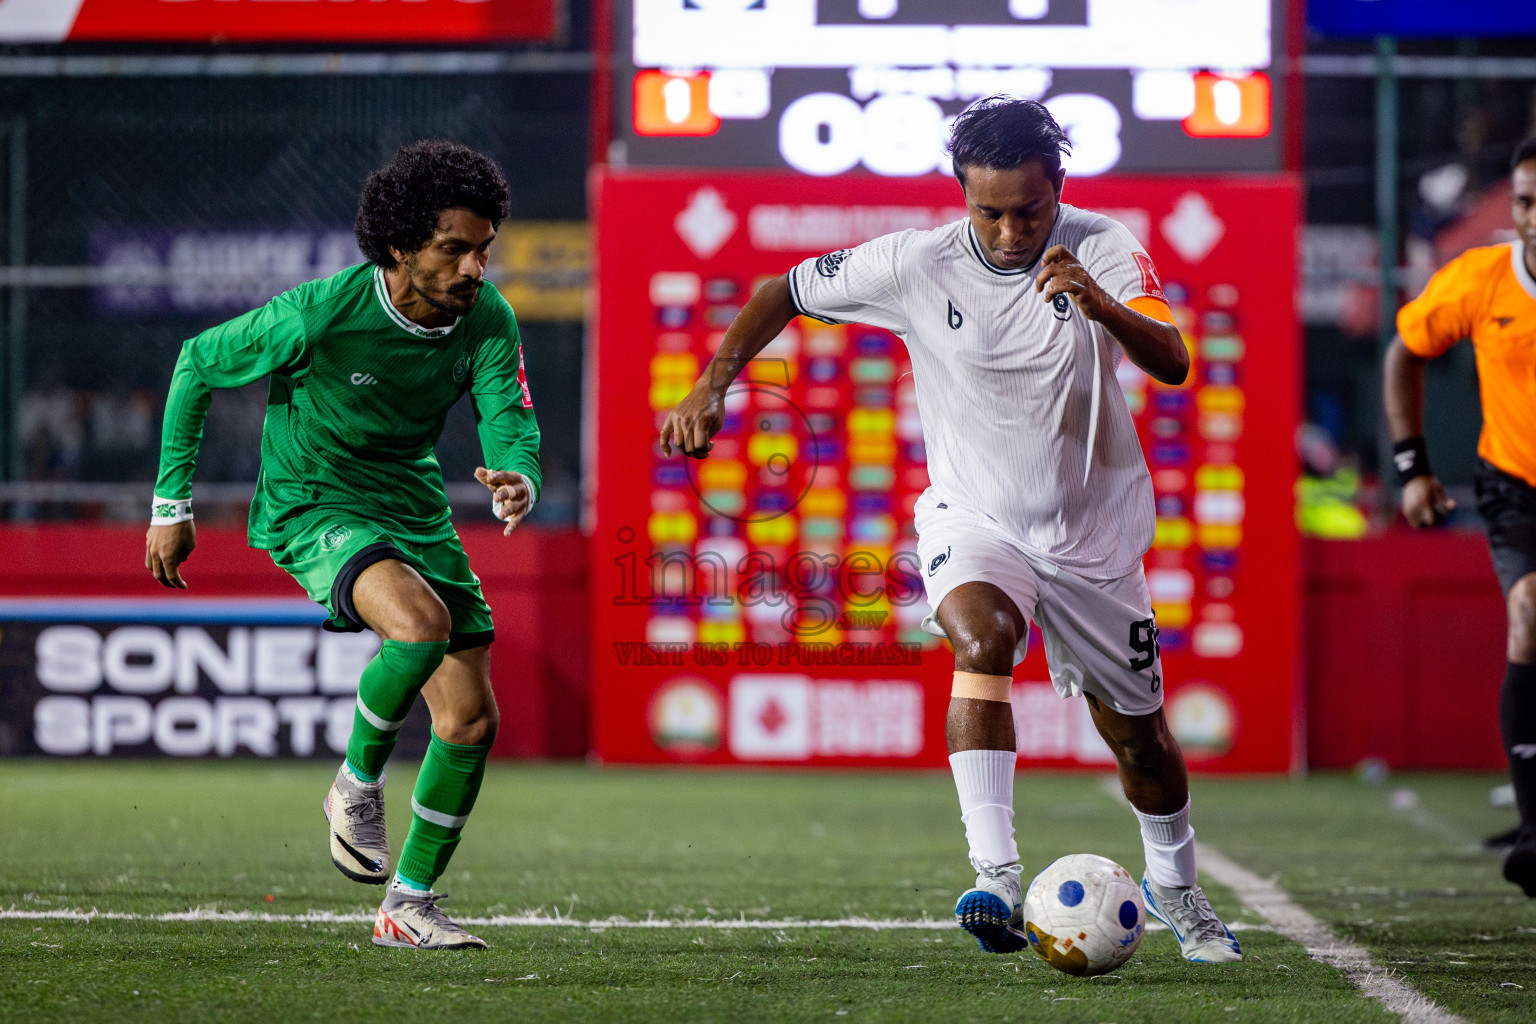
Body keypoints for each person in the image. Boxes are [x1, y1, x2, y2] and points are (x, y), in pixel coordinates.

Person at [660, 96, 1241, 963]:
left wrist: (1101, 304)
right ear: (961, 195)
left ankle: (1178, 890)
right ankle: (997, 876)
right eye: (989, 211)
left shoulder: (1106, 246)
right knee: (982, 637)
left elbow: (1175, 360)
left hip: (1092, 534)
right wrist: (711, 385)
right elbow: (782, 290)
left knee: (1142, 741)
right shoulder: (914, 263)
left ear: (1060, 190)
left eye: (1029, 211)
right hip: (974, 514)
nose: (1010, 231)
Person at [144, 139, 541, 948]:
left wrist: (518, 476)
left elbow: (509, 416)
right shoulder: (321, 312)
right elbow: (196, 364)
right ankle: (356, 783)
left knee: (469, 720)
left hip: (414, 504)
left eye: (484, 250)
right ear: (400, 247)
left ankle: (409, 907)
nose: (474, 268)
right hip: (313, 499)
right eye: (454, 249)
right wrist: (170, 503)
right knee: (421, 627)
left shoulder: (488, 319)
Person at [1383, 136, 1536, 897]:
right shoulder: (1479, 278)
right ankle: (1535, 829)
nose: (1533, 218)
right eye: (1525, 202)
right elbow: (1404, 350)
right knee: (1530, 614)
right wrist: (1413, 468)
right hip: (1515, 484)